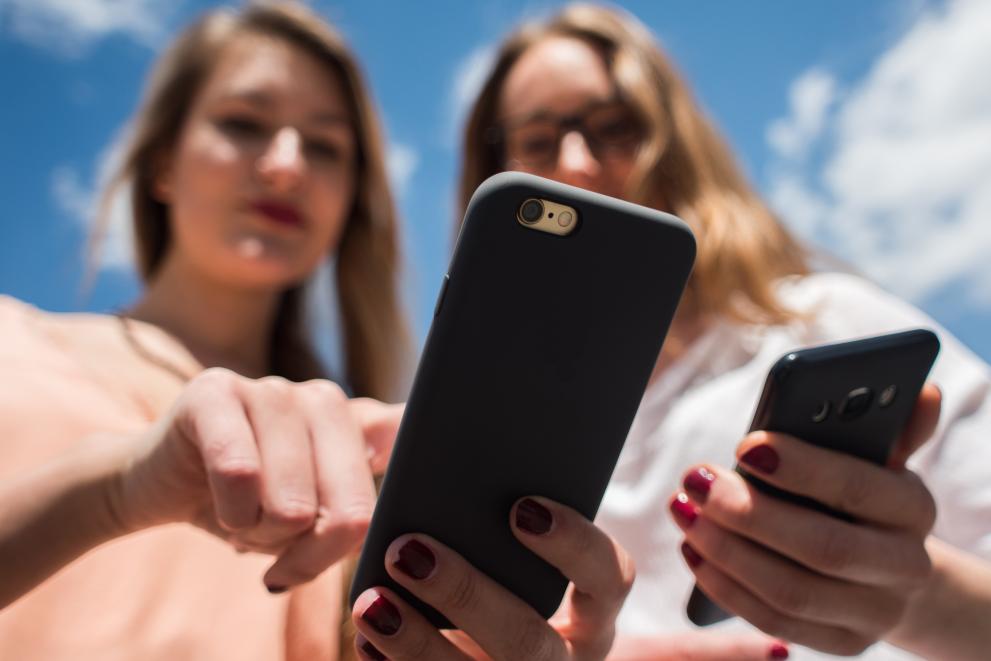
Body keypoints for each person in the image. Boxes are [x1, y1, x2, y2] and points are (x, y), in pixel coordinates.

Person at [0, 4, 634, 661]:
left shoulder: (361, 472)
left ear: (347, 202)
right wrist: (113, 491)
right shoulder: (10, 340)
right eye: (244, 124)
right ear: (163, 163)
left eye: (324, 146)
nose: (285, 165)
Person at [452, 4, 991, 660]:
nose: (577, 165)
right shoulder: (489, 422)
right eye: (537, 141)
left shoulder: (824, 323)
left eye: (612, 128)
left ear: (673, 143)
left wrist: (913, 595)